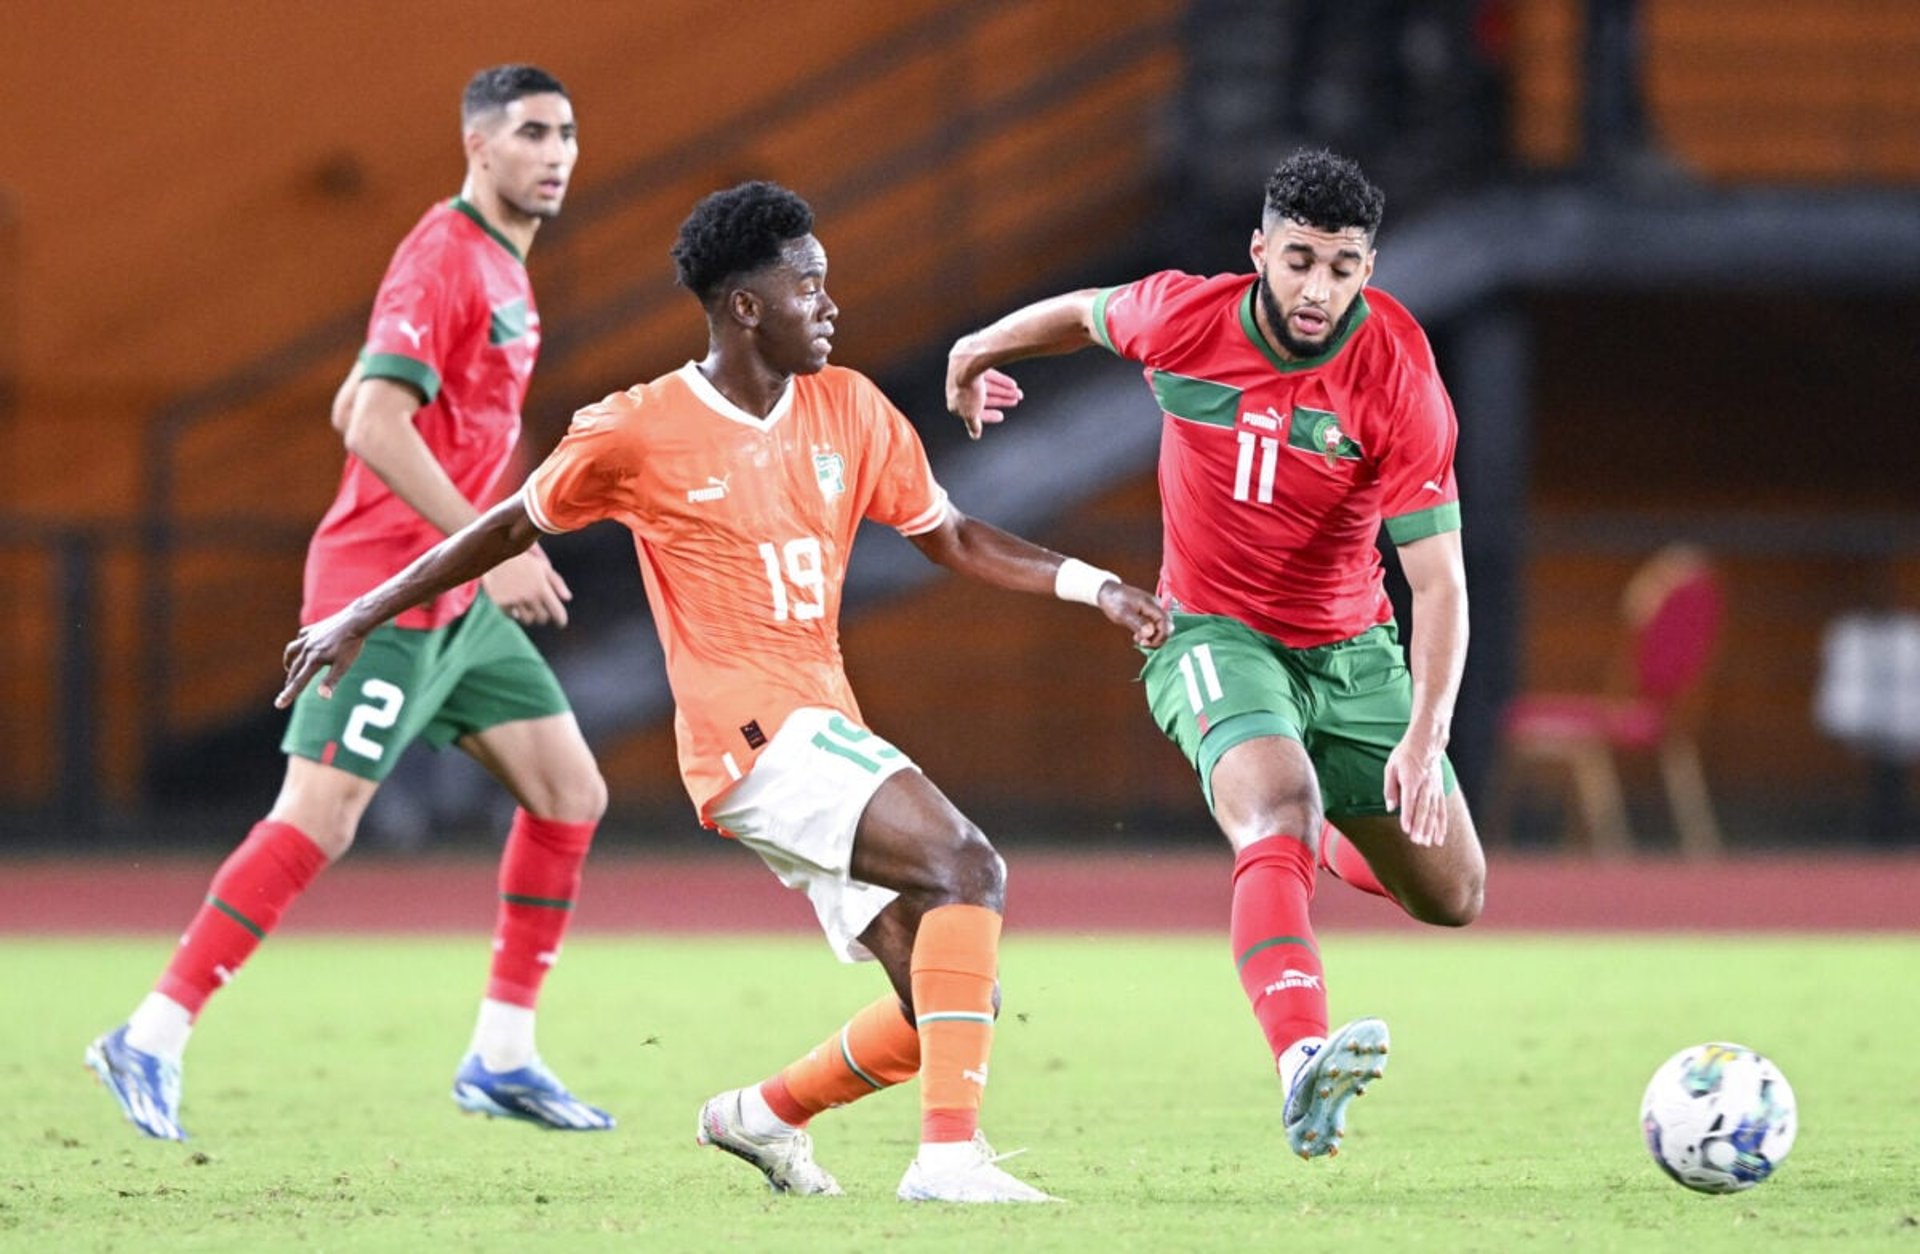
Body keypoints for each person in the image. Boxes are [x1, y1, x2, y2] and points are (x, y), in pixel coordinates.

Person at [276, 180, 1171, 1201]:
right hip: (751, 736)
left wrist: (1096, 586)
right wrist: (362, 611)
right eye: (809, 285)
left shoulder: (851, 408)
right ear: (746, 306)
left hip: (821, 726)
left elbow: (955, 537)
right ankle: (947, 1163)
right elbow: (508, 524)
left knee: (948, 998)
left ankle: (758, 1117)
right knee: (969, 864)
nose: (830, 304)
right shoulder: (638, 427)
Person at [86, 64, 615, 1141]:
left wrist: (498, 527)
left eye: (566, 133)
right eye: (531, 133)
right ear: (478, 145)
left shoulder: (507, 270)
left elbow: (429, 410)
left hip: (453, 596)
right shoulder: (445, 256)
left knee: (570, 792)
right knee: (317, 822)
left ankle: (502, 1056)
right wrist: (491, 543)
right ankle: (149, 1033)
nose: (556, 153)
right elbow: (370, 419)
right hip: (382, 592)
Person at [943, 148, 1487, 1160]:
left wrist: (1424, 731)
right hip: (1209, 632)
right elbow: (1079, 312)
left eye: (1342, 266)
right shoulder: (1187, 317)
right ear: (1259, 253)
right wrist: (974, 350)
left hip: (1353, 649)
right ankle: (1300, 1063)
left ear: (1368, 268)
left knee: (1453, 894)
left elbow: (1442, 582)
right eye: (1299, 260)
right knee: (1273, 806)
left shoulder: (1400, 374)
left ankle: (1323, 833)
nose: (1318, 288)